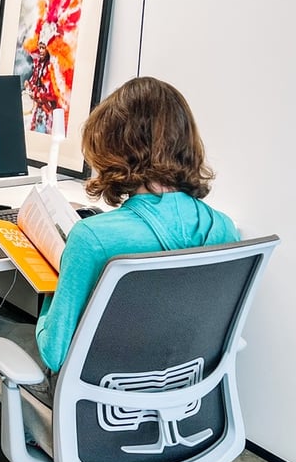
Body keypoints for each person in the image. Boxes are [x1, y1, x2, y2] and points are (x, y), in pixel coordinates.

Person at [17, 76, 239, 402]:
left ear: (116, 150)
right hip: (181, 396)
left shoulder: (92, 238)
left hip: (94, 405)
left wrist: (59, 281)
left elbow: (54, 353)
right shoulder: (224, 229)